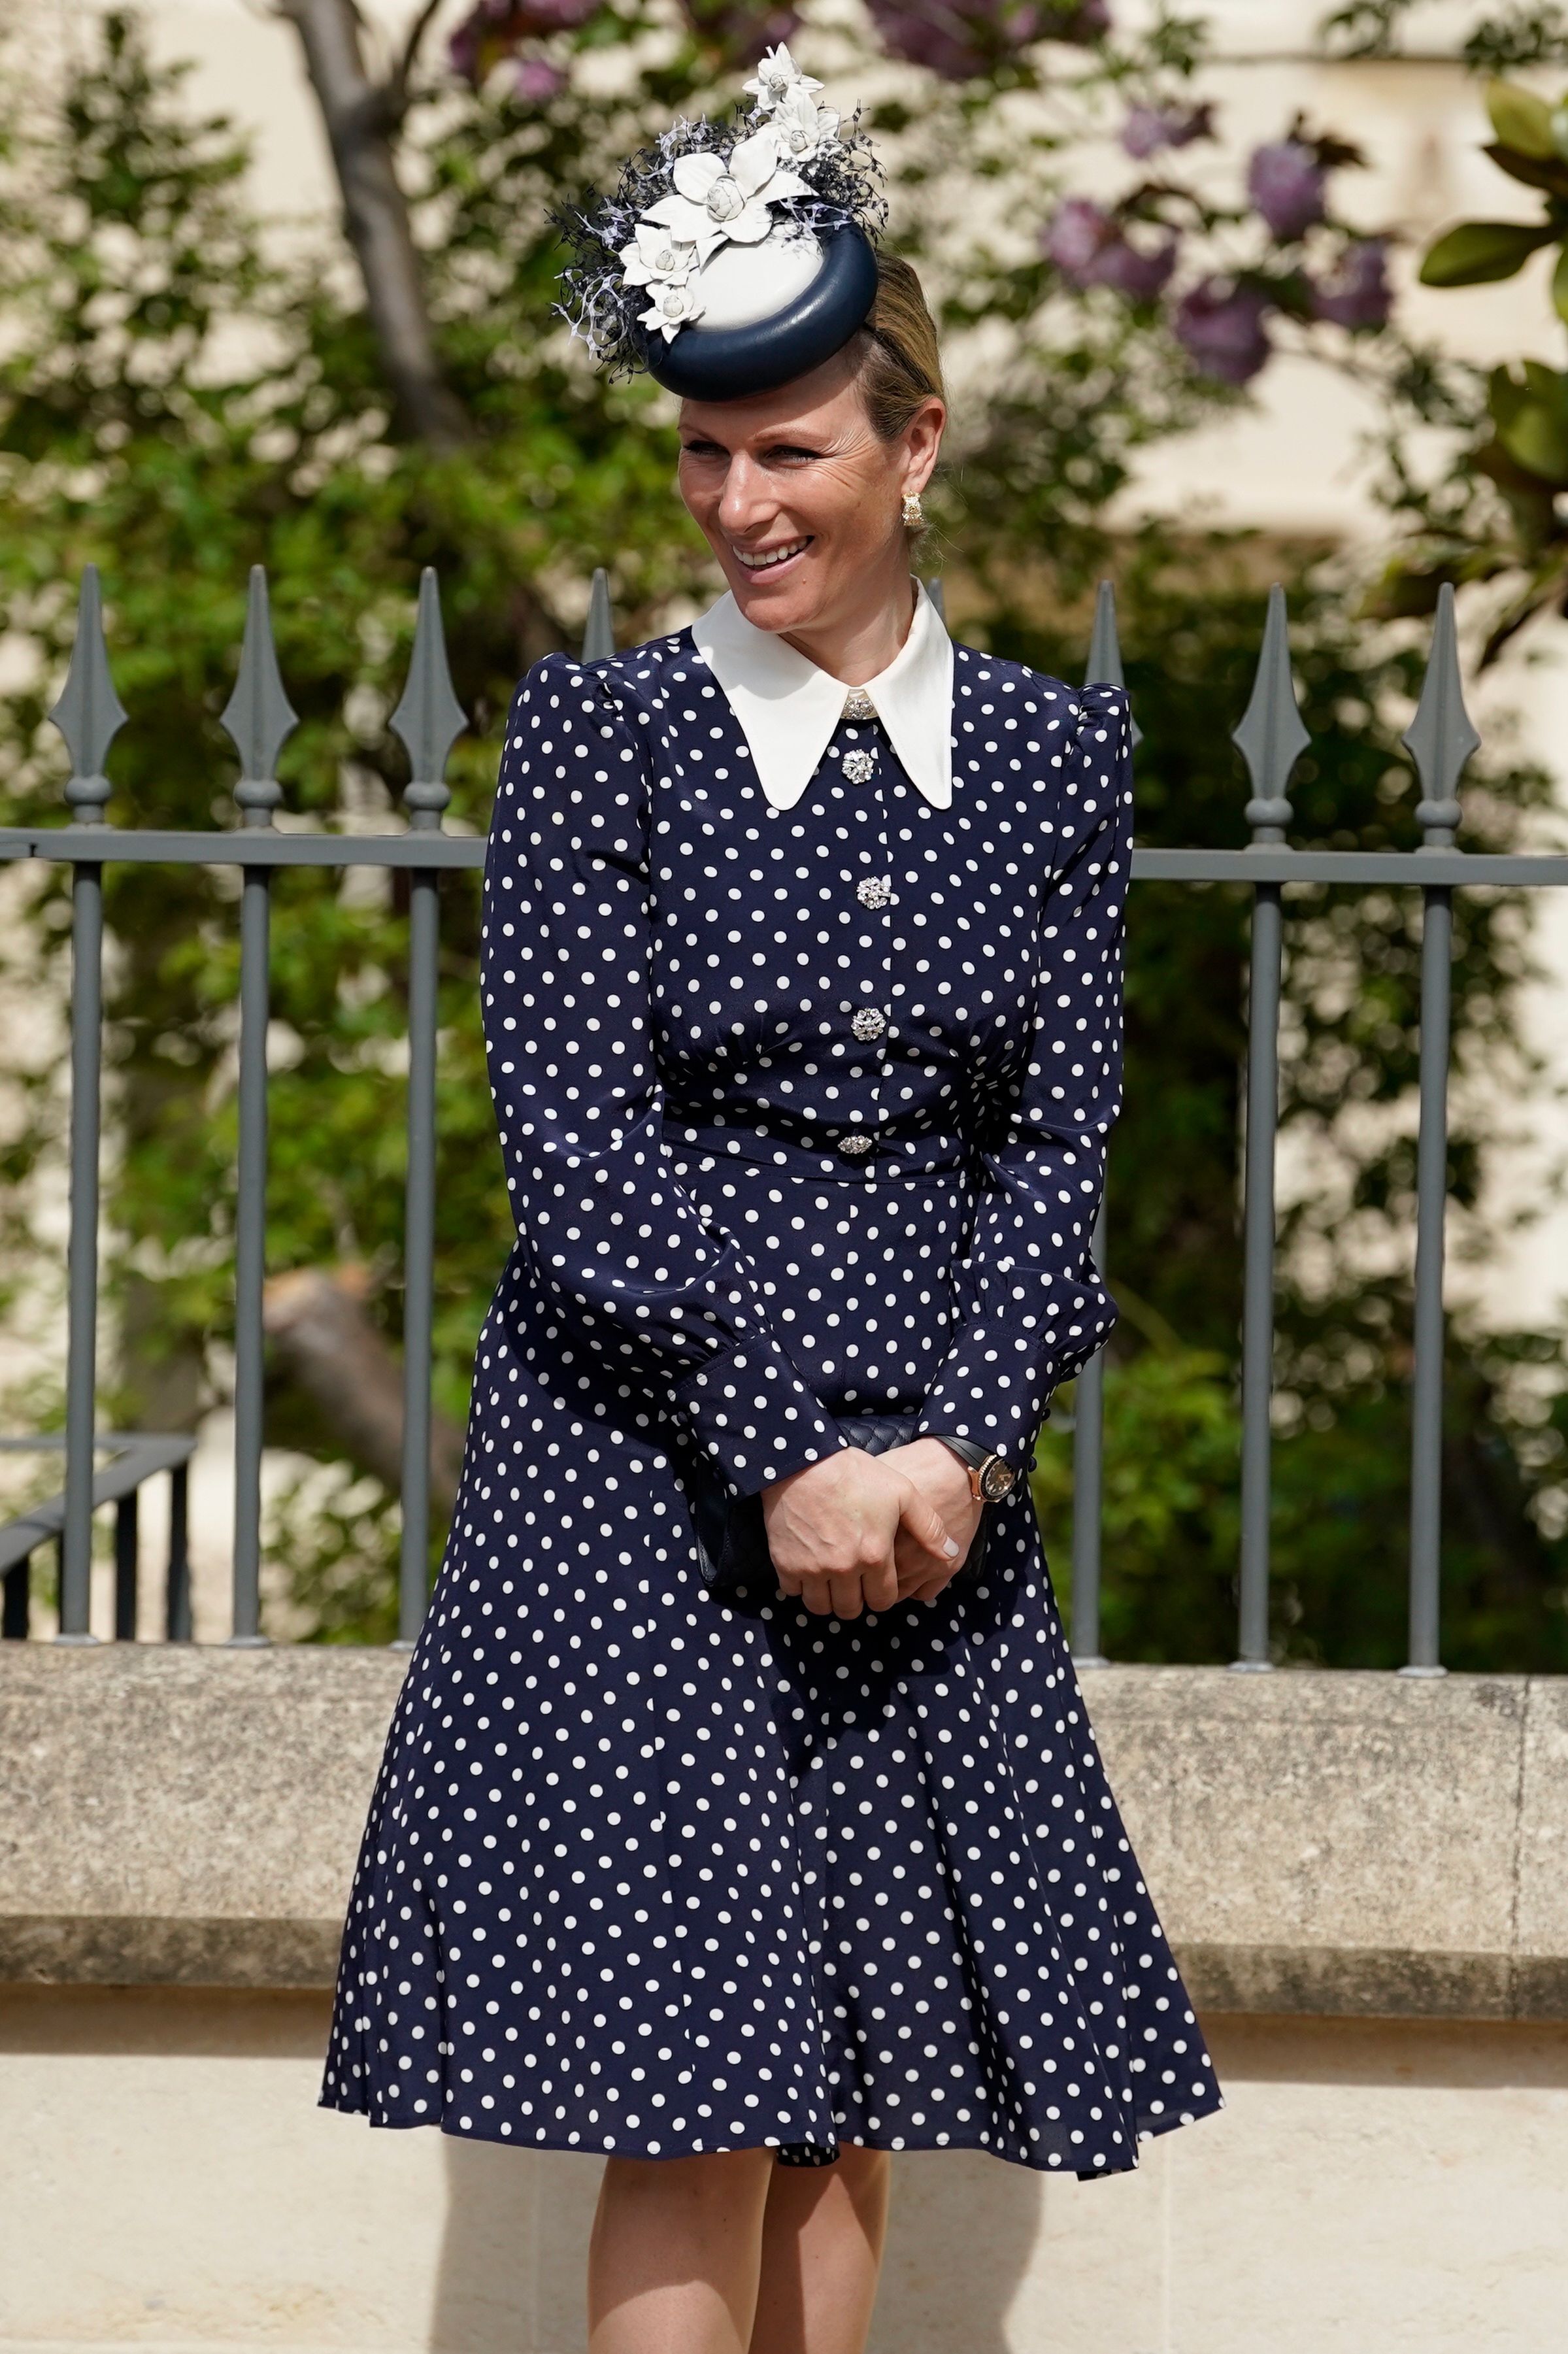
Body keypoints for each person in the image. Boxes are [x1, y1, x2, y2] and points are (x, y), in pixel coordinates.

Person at [322, 47, 1221, 2354]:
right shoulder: (606, 741)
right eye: (703, 453)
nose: (736, 501)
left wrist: (954, 1443)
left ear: (913, 447)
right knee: (687, 2088)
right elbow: (584, 1157)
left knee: (849, 2090)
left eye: (788, 451)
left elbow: (1053, 1141)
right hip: (646, 1462)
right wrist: (787, 1454)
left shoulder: (1051, 752)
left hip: (924, 1474)